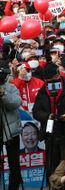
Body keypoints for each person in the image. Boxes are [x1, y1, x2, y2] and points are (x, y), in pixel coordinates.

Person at [0, 60, 23, 190]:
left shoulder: (11, 87)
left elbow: (16, 103)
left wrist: (4, 94)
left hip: (11, 131)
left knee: (14, 164)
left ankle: (14, 187)